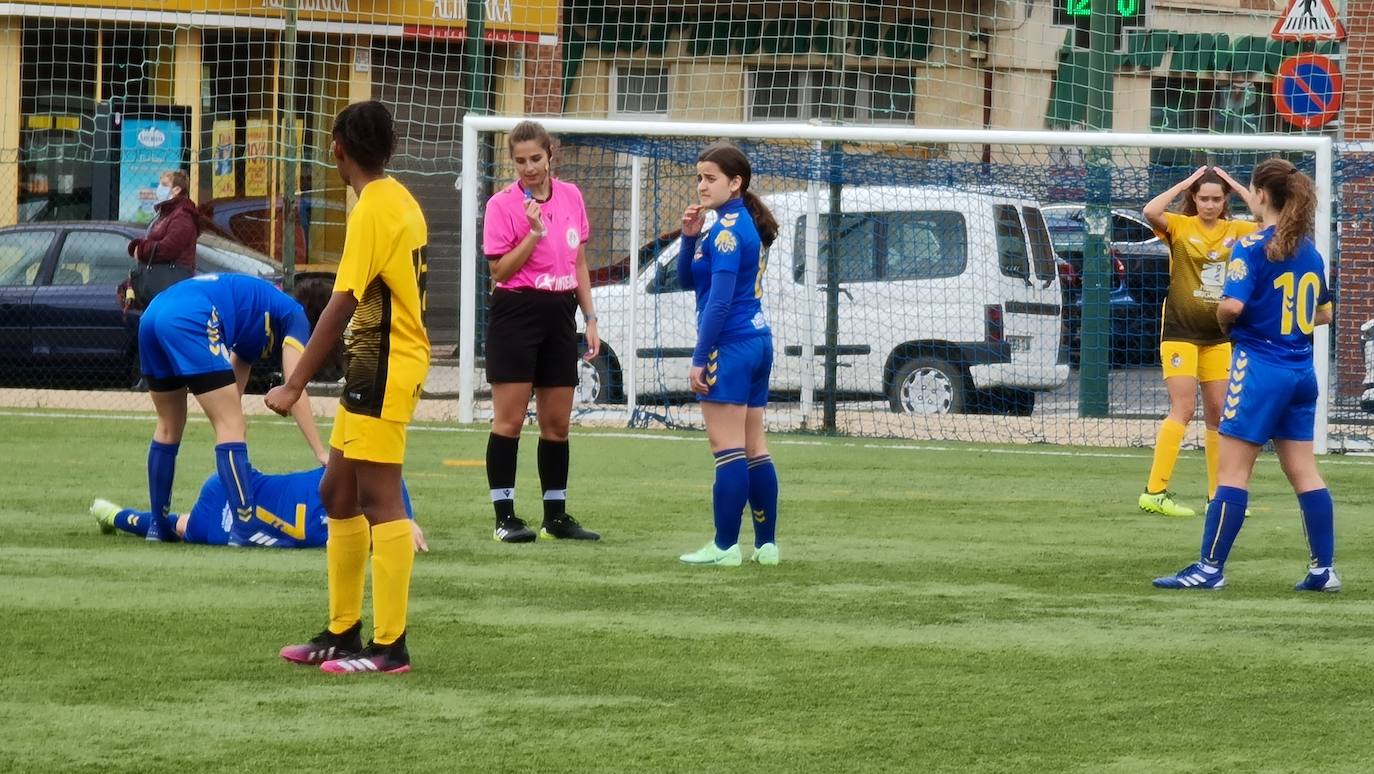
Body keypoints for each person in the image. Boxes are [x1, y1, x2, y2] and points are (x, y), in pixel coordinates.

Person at [267, 100, 430, 675]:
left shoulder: (371, 211)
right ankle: (342, 630)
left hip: (385, 366)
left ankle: (390, 647)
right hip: (374, 365)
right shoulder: (396, 197)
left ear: (337, 147)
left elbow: (341, 303)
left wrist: (294, 384)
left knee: (379, 502)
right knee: (338, 494)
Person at [1153, 158, 1338, 591]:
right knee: (1306, 473)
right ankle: (1323, 570)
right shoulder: (1308, 250)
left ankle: (1209, 569)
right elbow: (1325, 313)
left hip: (1259, 369)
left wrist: (1226, 323)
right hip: (1300, 371)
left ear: (1259, 195)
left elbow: (1232, 306)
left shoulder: (1253, 247)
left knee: (1232, 475)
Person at [139, 272, 328, 545]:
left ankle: (158, 525)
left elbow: (235, 379)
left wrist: (229, 433)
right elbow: (294, 384)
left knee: (169, 426)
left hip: (153, 315)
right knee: (232, 425)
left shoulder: (262, 312)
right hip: (192, 316)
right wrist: (320, 451)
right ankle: (244, 525)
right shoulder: (295, 314)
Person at [481, 120, 601, 544]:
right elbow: (499, 271)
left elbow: (579, 262)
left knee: (557, 425)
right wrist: (533, 234)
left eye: (535, 158)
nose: (528, 168)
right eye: (519, 161)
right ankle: (504, 517)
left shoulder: (571, 196)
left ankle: (556, 516)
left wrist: (589, 317)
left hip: (560, 313)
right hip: (516, 313)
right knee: (509, 421)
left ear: (551, 155)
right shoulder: (501, 205)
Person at [675, 142, 781, 568]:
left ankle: (724, 546)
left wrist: (700, 358)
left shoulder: (724, 233)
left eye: (711, 178)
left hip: (730, 347)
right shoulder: (734, 224)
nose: (702, 185)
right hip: (757, 342)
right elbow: (689, 280)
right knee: (755, 447)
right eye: (699, 177)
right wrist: (686, 239)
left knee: (729, 450)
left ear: (735, 183)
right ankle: (767, 545)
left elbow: (717, 304)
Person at [1138, 165, 1259, 518]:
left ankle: (1216, 496)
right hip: (1179, 333)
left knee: (1218, 415)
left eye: (1216, 199)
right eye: (1203, 198)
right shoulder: (1178, 225)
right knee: (1184, 409)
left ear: (1225, 202)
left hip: (1218, 337)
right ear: (1194, 198)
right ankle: (1155, 492)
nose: (1209, 204)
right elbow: (1150, 211)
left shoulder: (1236, 230)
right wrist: (1188, 181)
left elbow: (1269, 222)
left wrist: (1235, 184)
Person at [90, 468, 425, 551]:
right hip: (236, 491)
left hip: (239, 496)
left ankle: (115, 515)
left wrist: (403, 520)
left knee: (180, 527)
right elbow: (384, 471)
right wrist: (403, 519)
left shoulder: (342, 526)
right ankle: (115, 515)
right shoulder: (338, 490)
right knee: (180, 528)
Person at [126, 169, 200, 309]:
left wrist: (141, 250)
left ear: (177, 189)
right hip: (161, 286)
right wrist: (139, 246)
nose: (160, 188)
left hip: (172, 285)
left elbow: (168, 248)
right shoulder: (166, 213)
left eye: (164, 184)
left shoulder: (182, 215)